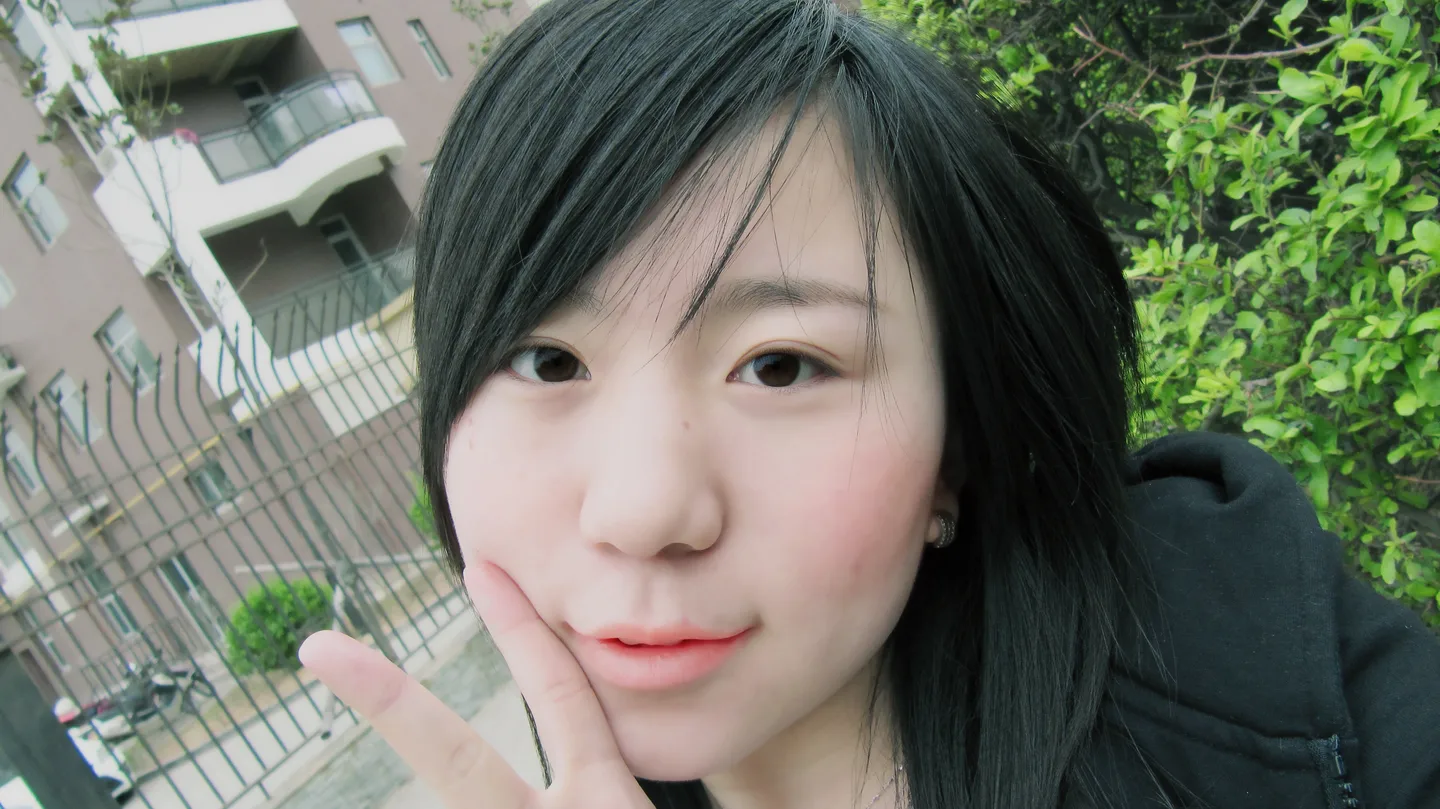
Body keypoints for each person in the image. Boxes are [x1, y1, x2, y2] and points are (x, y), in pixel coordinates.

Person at [298, 1, 1440, 807]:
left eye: (782, 365)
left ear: (957, 449)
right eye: (547, 361)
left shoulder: (1246, 672)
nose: (644, 509)